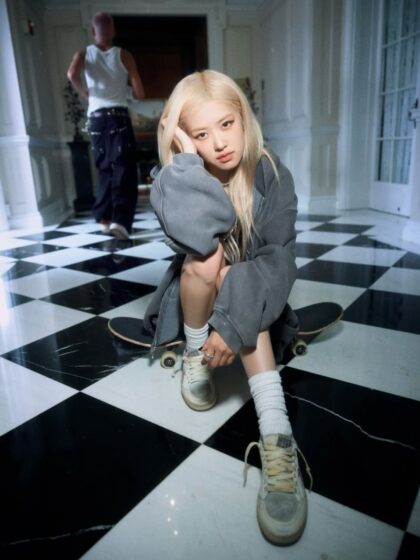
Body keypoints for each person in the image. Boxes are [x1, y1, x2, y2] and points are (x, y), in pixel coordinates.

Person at [143, 70, 312, 546]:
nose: (218, 143)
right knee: (208, 258)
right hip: (198, 295)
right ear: (183, 138)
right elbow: (196, 239)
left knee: (238, 275)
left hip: (256, 295)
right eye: (200, 134)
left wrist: (235, 319)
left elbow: (278, 261)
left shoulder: (272, 174)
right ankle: (195, 355)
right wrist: (184, 162)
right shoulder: (176, 178)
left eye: (226, 124)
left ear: (243, 117)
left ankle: (277, 435)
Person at [67, 12, 145, 240]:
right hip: (118, 116)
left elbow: (71, 74)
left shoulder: (84, 53)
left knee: (104, 167)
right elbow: (140, 93)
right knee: (124, 168)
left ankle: (104, 218)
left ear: (93, 31)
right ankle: (120, 222)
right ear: (113, 31)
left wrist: (86, 93)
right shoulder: (124, 55)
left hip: (97, 118)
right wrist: (127, 92)